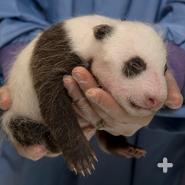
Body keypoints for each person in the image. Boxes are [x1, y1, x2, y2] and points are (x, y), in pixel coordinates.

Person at [0, 0, 185, 185]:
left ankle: (110, 137)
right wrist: (74, 144)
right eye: (134, 66)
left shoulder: (108, 44)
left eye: (164, 69)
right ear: (102, 35)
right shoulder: (72, 46)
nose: (157, 96)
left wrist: (178, 64)